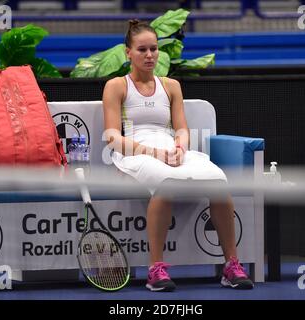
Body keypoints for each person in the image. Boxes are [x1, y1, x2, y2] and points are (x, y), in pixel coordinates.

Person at [102, 19, 254, 292]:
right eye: (142, 50)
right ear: (128, 53)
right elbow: (113, 137)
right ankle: (155, 270)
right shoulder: (116, 86)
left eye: (153, 49)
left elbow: (181, 129)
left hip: (169, 149)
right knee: (166, 183)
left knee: (219, 180)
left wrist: (179, 148)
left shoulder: (171, 86)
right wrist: (155, 153)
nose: (149, 55)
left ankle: (231, 265)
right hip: (134, 153)